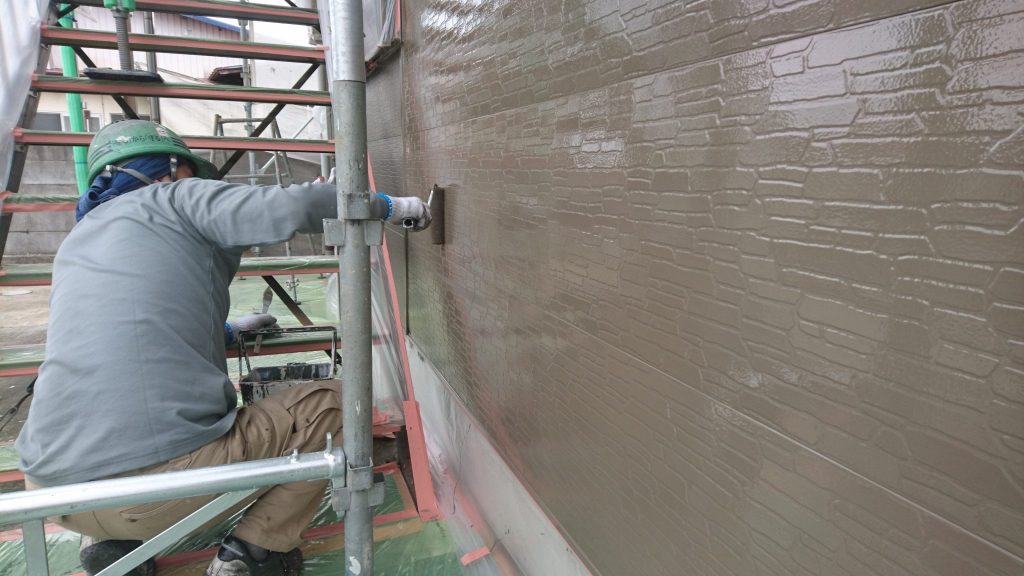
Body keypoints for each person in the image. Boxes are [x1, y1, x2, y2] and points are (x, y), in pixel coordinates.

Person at [14, 120, 431, 576]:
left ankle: (115, 549)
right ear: (169, 169)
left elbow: (126, 324)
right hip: (152, 490)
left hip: (52, 491)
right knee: (334, 403)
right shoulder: (175, 197)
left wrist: (226, 330)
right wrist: (391, 206)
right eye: (190, 172)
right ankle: (255, 554)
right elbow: (298, 206)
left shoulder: (76, 242)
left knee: (116, 439)